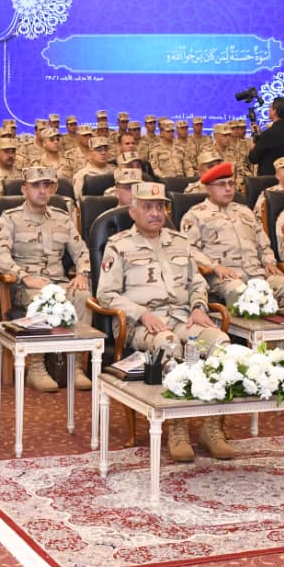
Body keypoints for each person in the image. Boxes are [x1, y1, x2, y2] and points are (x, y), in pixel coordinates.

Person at [98, 181, 233, 462]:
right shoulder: (118, 245)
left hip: (183, 317)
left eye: (160, 207)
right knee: (169, 345)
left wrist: (199, 307)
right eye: (147, 207)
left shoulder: (180, 242)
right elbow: (106, 295)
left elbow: (198, 284)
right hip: (141, 324)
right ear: (133, 211)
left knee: (221, 343)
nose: (155, 213)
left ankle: (211, 427)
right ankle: (177, 427)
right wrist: (141, 313)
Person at [0, 166, 93, 392]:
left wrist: (82, 273)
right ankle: (36, 366)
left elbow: (81, 251)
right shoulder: (10, 218)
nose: (42, 190)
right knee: (43, 296)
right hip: (26, 286)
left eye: (47, 185)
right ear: (24, 189)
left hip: (59, 282)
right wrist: (24, 276)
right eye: (36, 185)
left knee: (83, 296)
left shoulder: (62, 218)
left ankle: (75, 365)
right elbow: (0, 255)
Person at [182, 162, 284, 307]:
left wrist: (268, 261)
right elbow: (189, 249)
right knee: (239, 291)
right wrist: (214, 267)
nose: (228, 189)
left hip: (255, 272)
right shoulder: (195, 215)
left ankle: (278, 321)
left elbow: (263, 243)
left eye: (231, 183)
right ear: (208, 188)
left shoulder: (245, 211)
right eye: (221, 184)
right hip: (224, 275)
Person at [248, 96, 284, 176]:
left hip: (268, 180)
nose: (269, 110)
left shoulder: (268, 134)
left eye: (270, 107)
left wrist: (254, 143)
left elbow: (253, 158)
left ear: (275, 111)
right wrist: (261, 136)